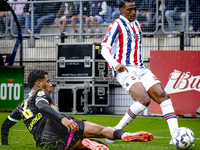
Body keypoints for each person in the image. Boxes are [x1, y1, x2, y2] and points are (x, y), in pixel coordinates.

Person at [0, 70, 154, 150]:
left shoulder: (20, 106)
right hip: (57, 123)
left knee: (99, 145)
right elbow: (42, 106)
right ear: (39, 84)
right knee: (102, 131)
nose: (51, 84)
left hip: (45, 140)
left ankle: (86, 143)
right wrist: (63, 118)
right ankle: (125, 134)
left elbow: (5, 126)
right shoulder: (40, 93)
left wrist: (5, 144)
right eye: (48, 82)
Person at [101, 0, 178, 144]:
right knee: (143, 100)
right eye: (130, 10)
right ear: (121, 10)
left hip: (140, 68)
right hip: (124, 69)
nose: (134, 12)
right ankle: (116, 130)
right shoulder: (116, 25)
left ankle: (175, 137)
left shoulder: (137, 25)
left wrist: (141, 64)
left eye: (135, 9)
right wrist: (115, 64)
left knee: (163, 96)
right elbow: (104, 48)